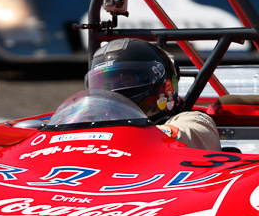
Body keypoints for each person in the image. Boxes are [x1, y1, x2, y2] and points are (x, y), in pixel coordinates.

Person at [86, 39, 221, 151]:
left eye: (124, 81)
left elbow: (182, 135)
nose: (111, 93)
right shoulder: (92, 128)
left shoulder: (195, 121)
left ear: (166, 86)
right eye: (105, 85)